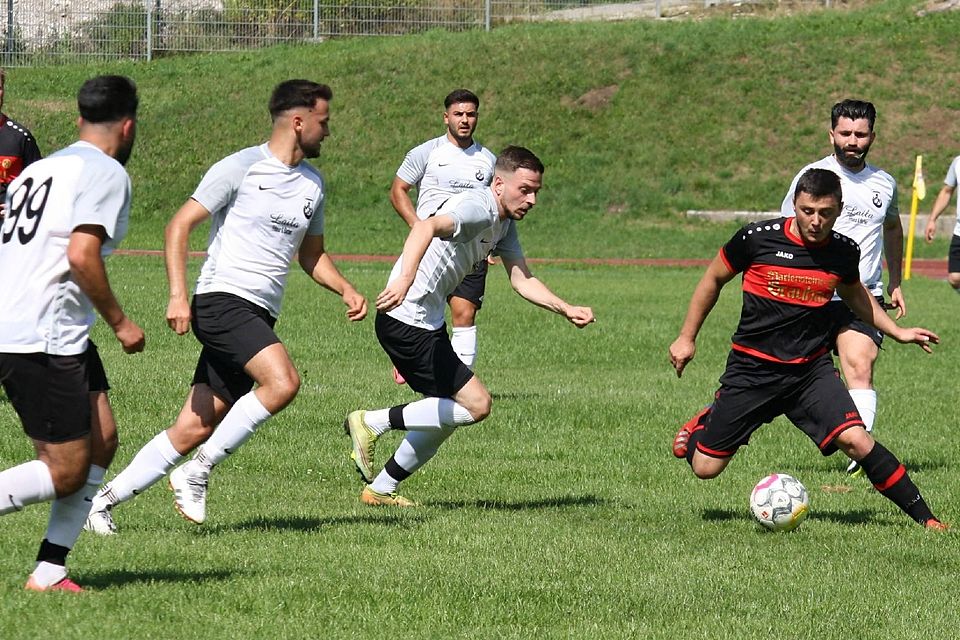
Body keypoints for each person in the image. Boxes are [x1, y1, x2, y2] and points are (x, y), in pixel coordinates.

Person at [85, 79, 367, 533]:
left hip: (259, 313)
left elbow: (311, 256)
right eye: (323, 122)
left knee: (193, 426)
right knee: (283, 382)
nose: (327, 132)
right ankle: (197, 471)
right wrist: (178, 295)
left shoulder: (313, 186)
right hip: (221, 301)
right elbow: (179, 226)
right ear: (298, 122)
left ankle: (101, 503)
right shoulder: (240, 167)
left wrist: (346, 289)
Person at [671, 168, 945, 530]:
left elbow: (856, 296)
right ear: (795, 206)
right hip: (753, 371)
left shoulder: (843, 251)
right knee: (705, 469)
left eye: (825, 213)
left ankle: (927, 520)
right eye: (806, 211)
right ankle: (705, 421)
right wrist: (687, 337)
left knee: (857, 441)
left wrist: (896, 331)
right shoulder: (757, 239)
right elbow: (713, 278)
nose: (815, 221)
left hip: (808, 373)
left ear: (839, 209)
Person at [344, 146, 594, 506]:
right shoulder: (478, 208)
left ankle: (381, 489)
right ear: (498, 184)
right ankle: (371, 421)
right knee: (477, 405)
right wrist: (405, 278)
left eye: (537, 190)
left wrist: (566, 308)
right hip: (406, 318)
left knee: (446, 412)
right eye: (525, 189)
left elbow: (523, 280)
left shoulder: (503, 223)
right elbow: (427, 226)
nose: (533, 199)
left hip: (424, 321)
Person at [0, 75, 144, 591]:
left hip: (44, 325)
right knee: (63, 469)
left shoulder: (38, 169)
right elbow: (81, 255)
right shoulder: (104, 172)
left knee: (101, 440)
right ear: (127, 127)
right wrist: (122, 323)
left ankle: (50, 568)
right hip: (42, 332)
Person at [780, 99, 903, 475]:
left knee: (858, 363)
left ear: (872, 137)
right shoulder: (812, 177)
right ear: (831, 133)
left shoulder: (884, 183)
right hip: (812, 293)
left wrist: (896, 281)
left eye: (860, 134)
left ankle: (858, 452)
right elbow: (786, 230)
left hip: (861, 295)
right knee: (787, 376)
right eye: (846, 133)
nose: (853, 141)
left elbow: (893, 228)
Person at [388, 89, 497, 383]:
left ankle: (459, 384)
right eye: (458, 114)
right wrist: (418, 227)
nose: (465, 120)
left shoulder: (488, 160)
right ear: (445, 117)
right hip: (430, 247)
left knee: (465, 312)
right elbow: (398, 190)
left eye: (470, 114)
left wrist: (491, 245)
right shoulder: (427, 152)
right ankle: (411, 359)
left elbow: (494, 205)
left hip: (469, 251)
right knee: (421, 314)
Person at [0, 67, 42, 217]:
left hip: (7, 231)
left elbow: (39, 186)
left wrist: (20, 206)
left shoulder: (20, 137)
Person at [923, 154, 960, 290]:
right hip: (959, 231)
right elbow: (946, 191)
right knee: (954, 277)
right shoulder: (958, 162)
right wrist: (932, 219)